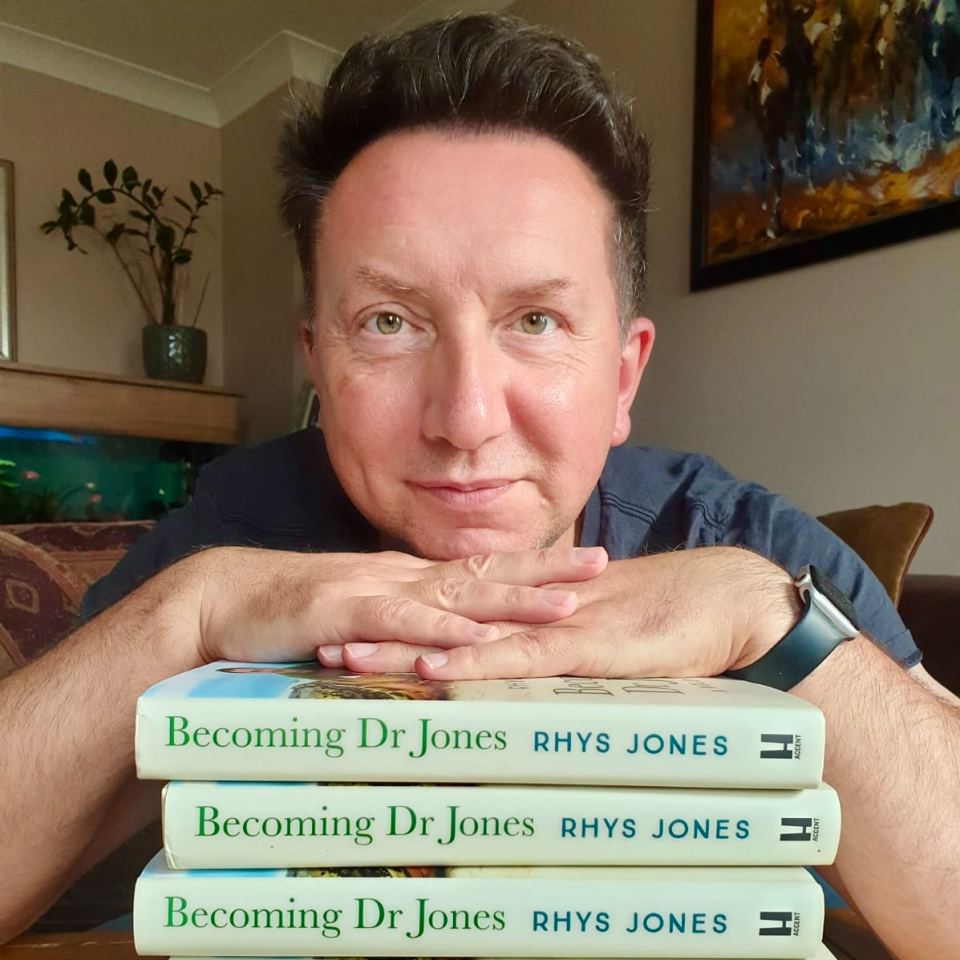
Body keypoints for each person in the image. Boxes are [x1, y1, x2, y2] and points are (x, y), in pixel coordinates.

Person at [1, 14, 957, 957]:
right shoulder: (233, 530)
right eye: (387, 321)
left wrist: (777, 627)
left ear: (623, 376)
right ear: (319, 371)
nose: (464, 419)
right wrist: (189, 610)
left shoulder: (752, 549)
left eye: (536, 321)